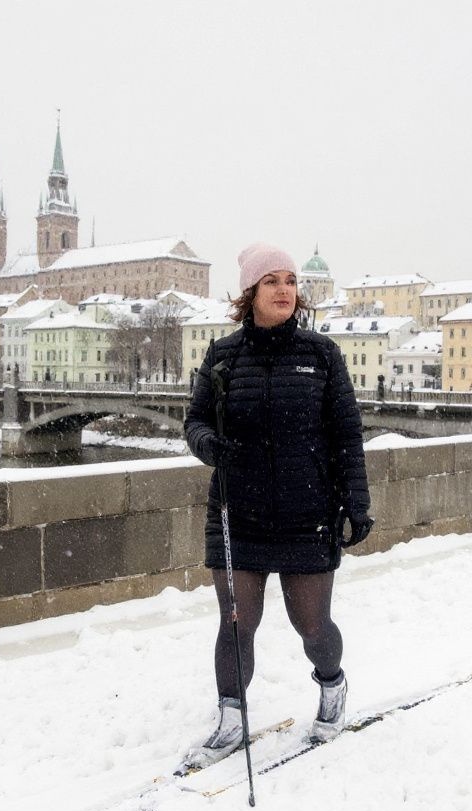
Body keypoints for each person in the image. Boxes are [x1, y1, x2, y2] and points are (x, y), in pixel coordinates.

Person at [182, 242, 373, 768]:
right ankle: (230, 717)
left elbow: (346, 435)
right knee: (237, 622)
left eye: (291, 280)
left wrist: (356, 502)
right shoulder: (222, 357)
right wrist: (208, 445)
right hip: (236, 514)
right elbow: (193, 422)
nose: (286, 290)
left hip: (305, 513)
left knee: (312, 626)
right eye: (273, 281)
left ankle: (332, 683)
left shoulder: (320, 355)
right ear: (250, 292)